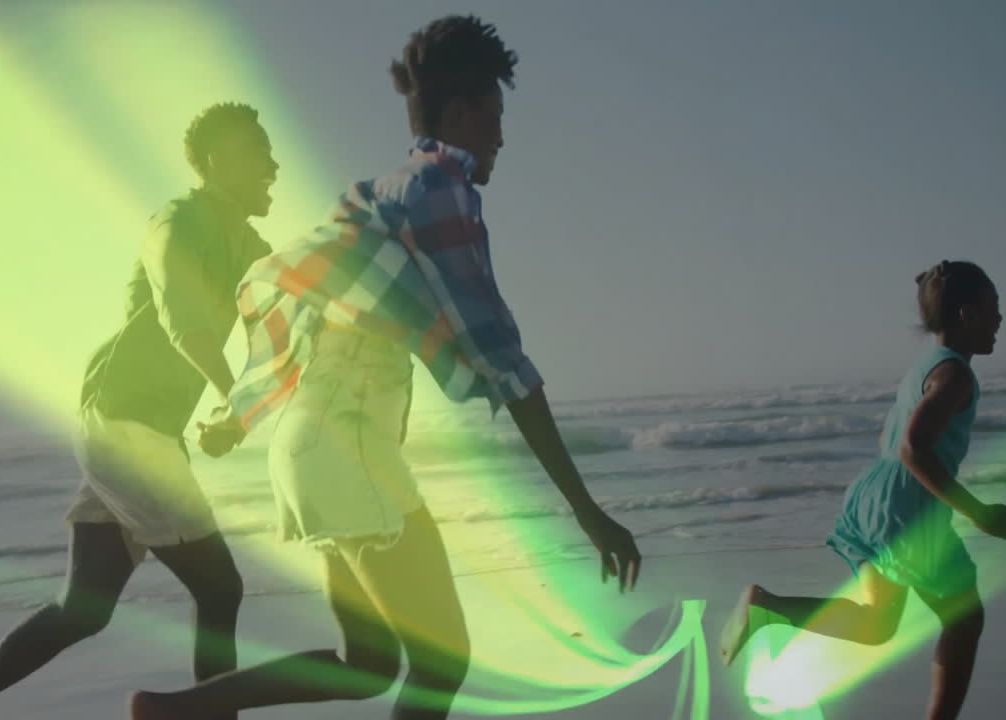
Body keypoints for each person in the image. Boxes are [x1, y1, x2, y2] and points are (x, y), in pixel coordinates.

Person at [128, 15, 641, 720]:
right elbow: (504, 361)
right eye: (493, 116)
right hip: (349, 452)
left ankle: (175, 712)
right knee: (442, 661)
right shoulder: (439, 191)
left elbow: (308, 324)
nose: (500, 136)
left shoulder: (377, 195)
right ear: (459, 113)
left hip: (315, 453)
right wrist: (589, 513)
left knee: (368, 664)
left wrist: (241, 414)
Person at [0, 102, 277, 720]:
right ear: (217, 161)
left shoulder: (249, 244)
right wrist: (234, 398)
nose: (273, 165)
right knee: (220, 587)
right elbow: (183, 321)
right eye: (258, 152)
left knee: (86, 607)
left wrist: (240, 406)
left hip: (146, 430)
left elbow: (280, 318)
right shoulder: (178, 223)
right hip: (126, 424)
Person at [719, 260, 1006, 720]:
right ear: (967, 315)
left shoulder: (926, 367)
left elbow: (897, 441)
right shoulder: (955, 376)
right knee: (965, 618)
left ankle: (766, 608)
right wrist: (979, 512)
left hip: (875, 498)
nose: (1000, 319)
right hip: (908, 507)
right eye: (994, 308)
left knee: (876, 624)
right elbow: (913, 447)